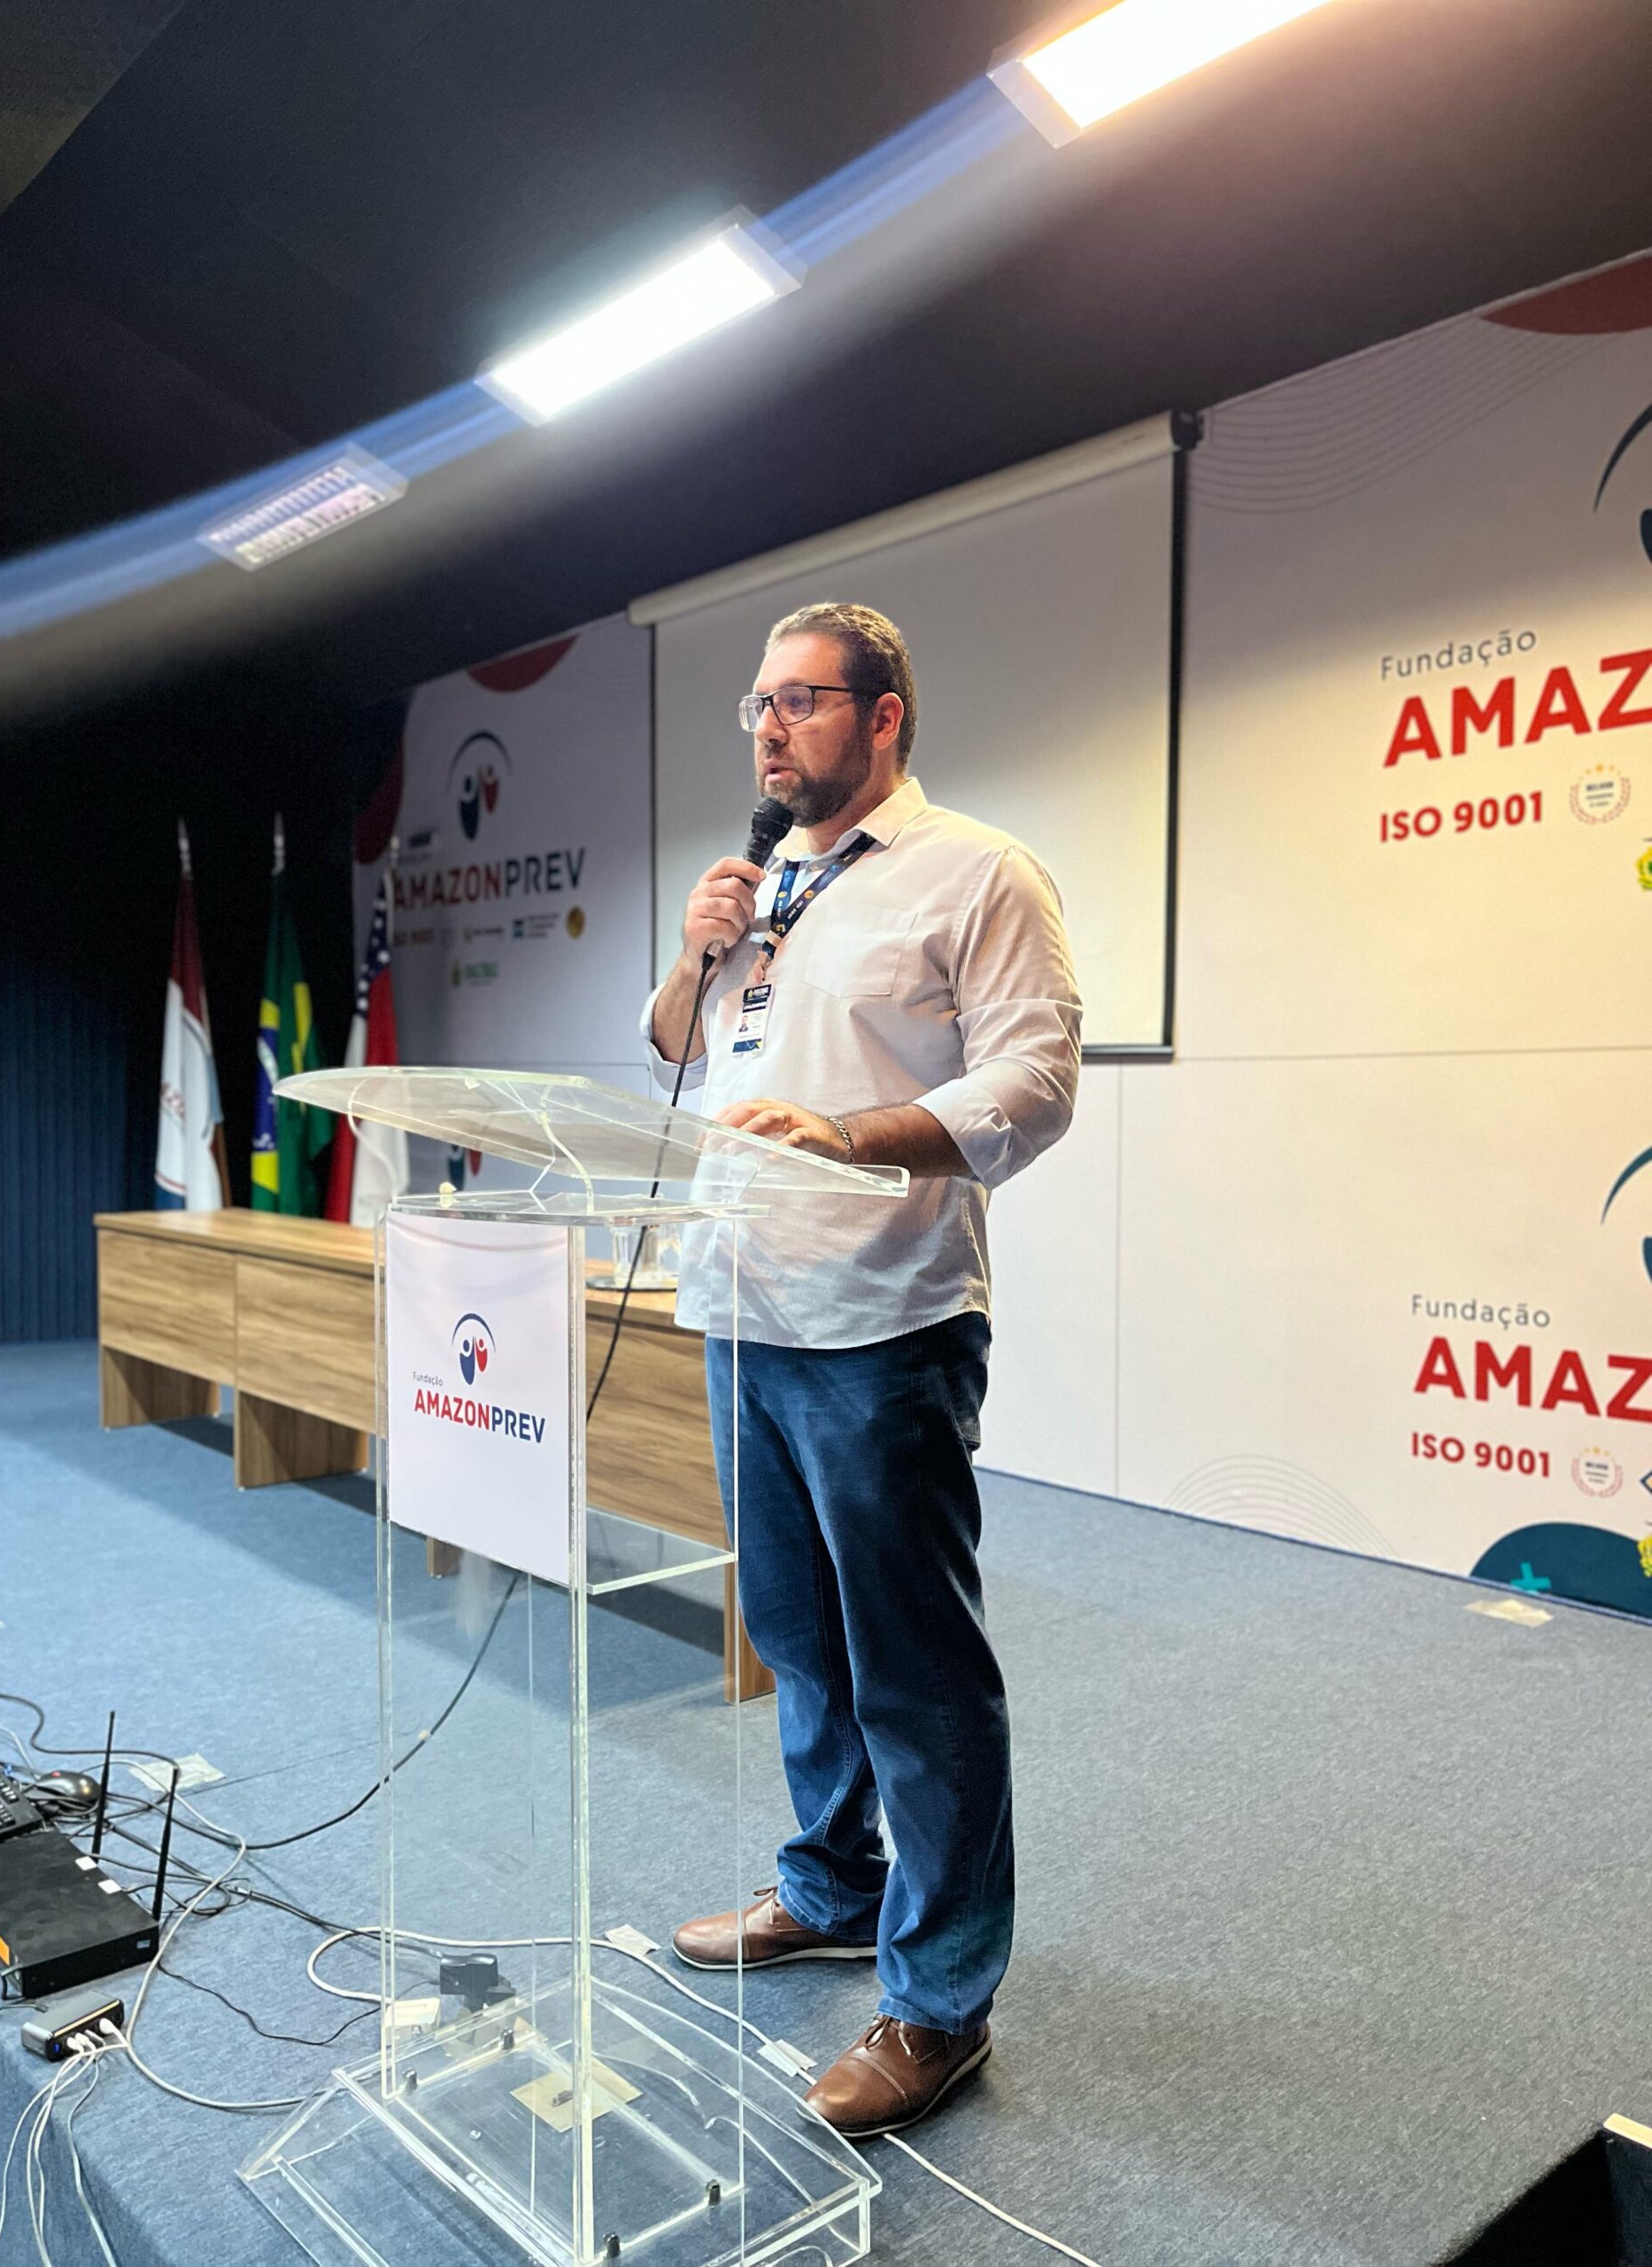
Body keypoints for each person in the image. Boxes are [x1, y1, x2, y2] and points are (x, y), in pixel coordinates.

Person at [643, 600, 1081, 2137]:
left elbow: (1036, 1081)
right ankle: (833, 1887)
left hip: (883, 1323)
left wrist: (848, 1135)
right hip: (739, 1308)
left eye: (802, 702)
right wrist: (693, 956)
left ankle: (940, 2001)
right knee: (798, 1638)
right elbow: (676, 1045)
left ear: (884, 715)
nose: (770, 729)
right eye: (757, 706)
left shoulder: (977, 870)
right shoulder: (762, 881)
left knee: (913, 1668)